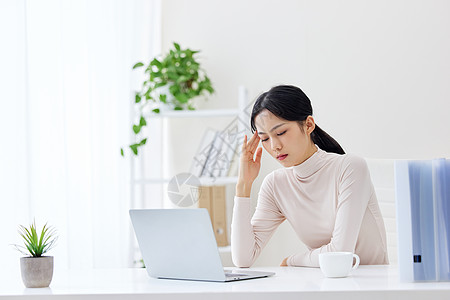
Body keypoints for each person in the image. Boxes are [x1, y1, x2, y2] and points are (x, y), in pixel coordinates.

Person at [231, 85, 388, 268]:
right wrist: (244, 184)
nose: (274, 146)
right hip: (323, 286)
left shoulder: (350, 167)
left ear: (308, 125)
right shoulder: (275, 185)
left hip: (371, 287)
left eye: (281, 133)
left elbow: (339, 254)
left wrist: (292, 261)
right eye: (265, 138)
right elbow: (243, 259)